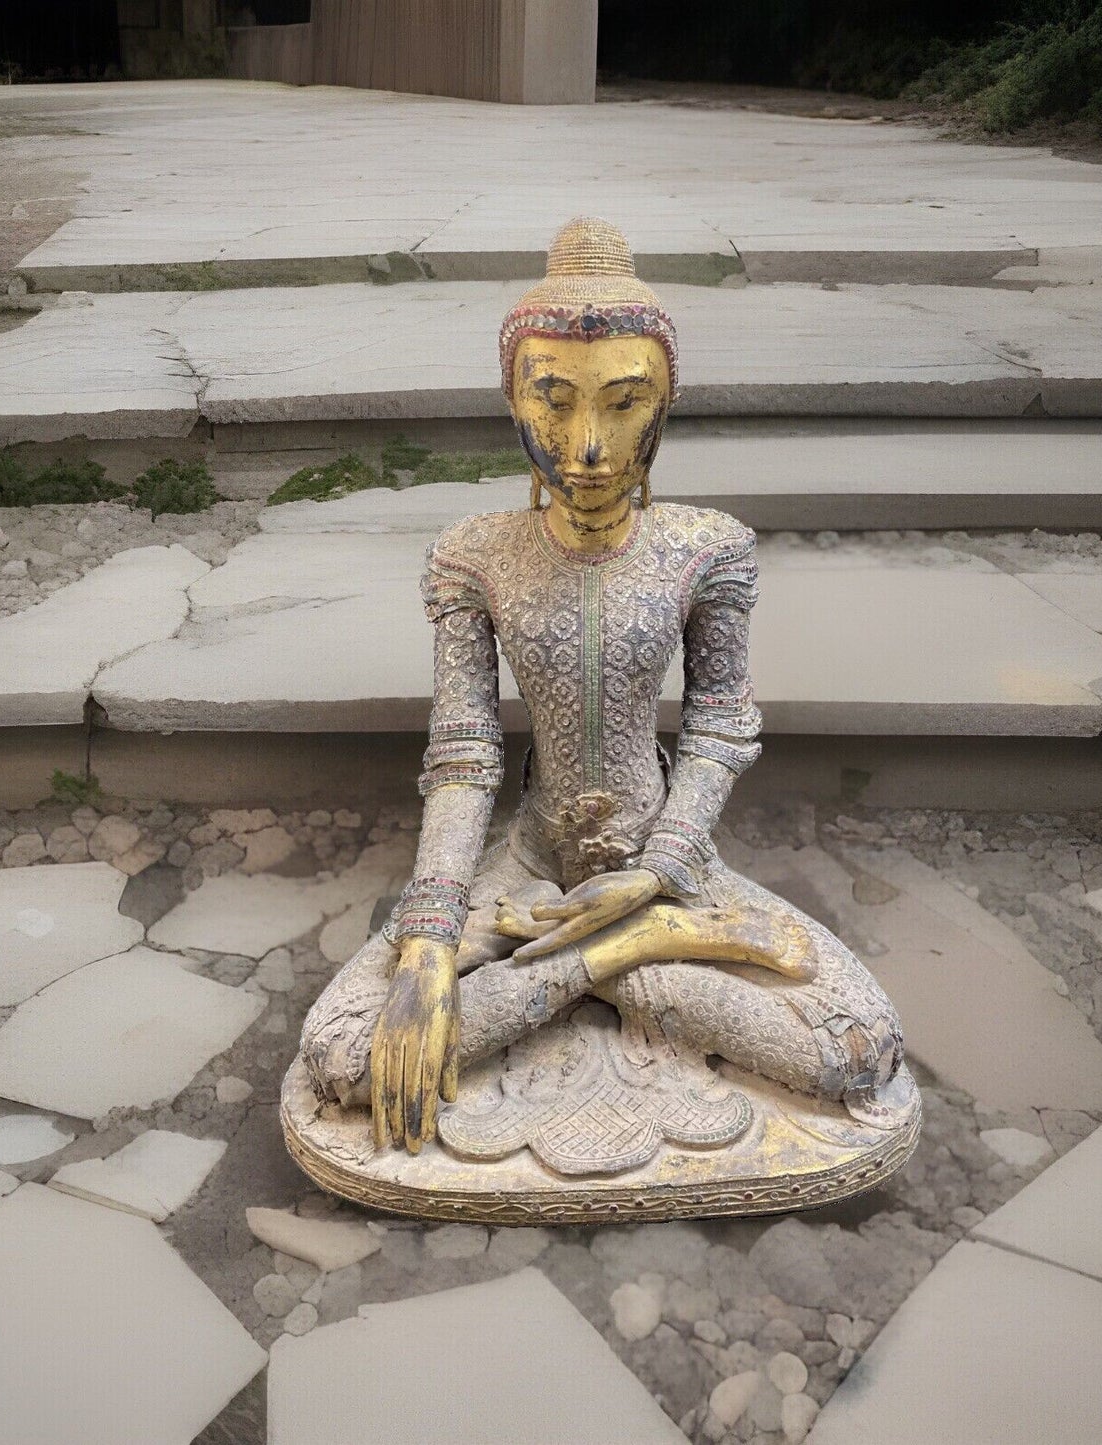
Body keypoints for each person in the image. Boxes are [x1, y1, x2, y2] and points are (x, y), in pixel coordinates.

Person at [300, 217, 914, 1156]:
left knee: (856, 1048)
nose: (587, 447)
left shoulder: (708, 549)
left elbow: (718, 725)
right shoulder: (474, 556)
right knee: (345, 1055)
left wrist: (652, 880)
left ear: (664, 405)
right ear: (511, 399)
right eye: (552, 400)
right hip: (528, 870)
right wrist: (428, 938)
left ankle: (609, 953)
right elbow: (464, 752)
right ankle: (621, 958)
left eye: (623, 404)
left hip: (667, 865)